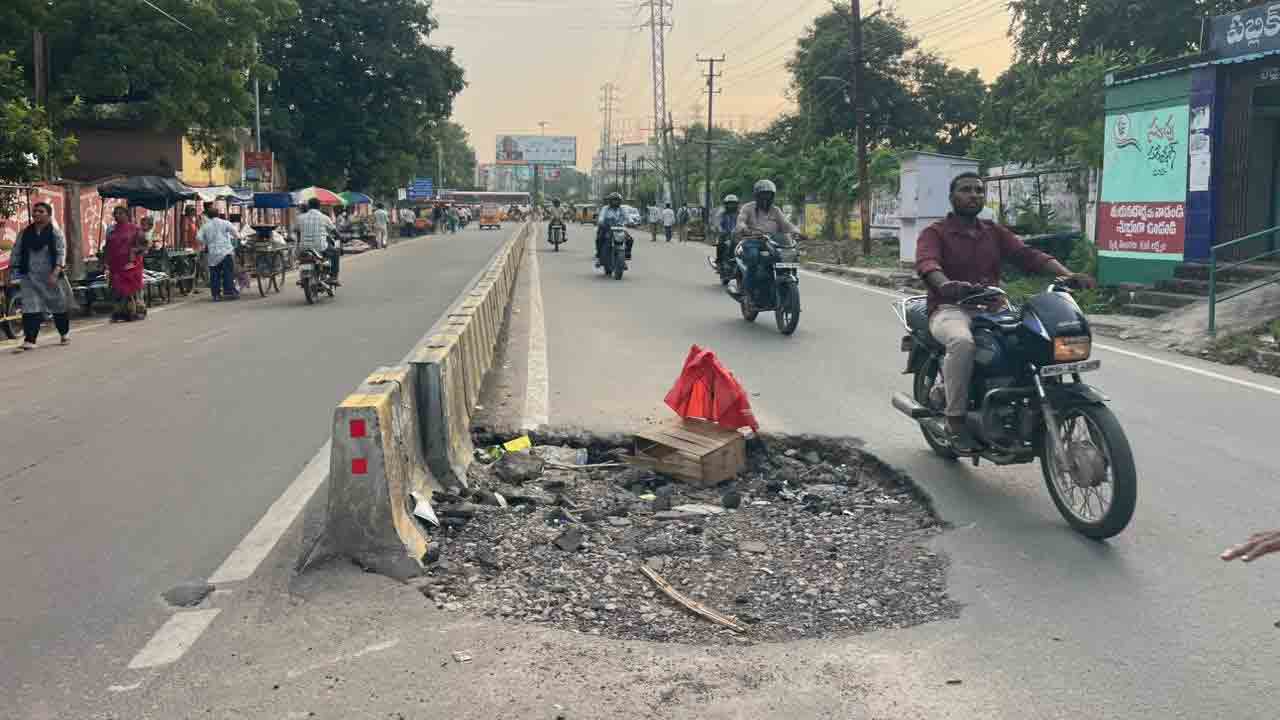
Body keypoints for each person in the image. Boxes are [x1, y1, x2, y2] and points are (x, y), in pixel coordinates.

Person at [915, 172, 1094, 450]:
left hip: (994, 307)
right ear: (952, 197)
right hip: (951, 308)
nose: (973, 195)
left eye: (978, 190)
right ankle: (955, 419)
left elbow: (1029, 255)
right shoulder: (935, 233)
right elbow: (927, 264)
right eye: (966, 190)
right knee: (962, 343)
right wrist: (947, 285)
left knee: (1032, 340)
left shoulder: (993, 231)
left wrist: (1068, 275)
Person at [10, 202, 71, 351]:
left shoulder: (55, 232)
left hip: (51, 276)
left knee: (58, 305)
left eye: (41, 211)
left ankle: (64, 332)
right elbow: (16, 252)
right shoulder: (25, 233)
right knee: (30, 307)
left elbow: (61, 252)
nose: (36, 213)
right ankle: (30, 339)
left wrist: (55, 272)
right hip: (29, 276)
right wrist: (11, 271)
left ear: (48, 215)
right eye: (35, 211)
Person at [732, 179, 803, 300]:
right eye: (763, 195)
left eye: (769, 195)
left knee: (789, 256)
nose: (766, 198)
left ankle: (784, 285)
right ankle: (746, 291)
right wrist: (745, 229)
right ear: (757, 196)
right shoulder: (747, 208)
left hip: (773, 241)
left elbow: (786, 224)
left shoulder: (776, 210)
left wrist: (797, 232)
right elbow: (741, 221)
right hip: (753, 240)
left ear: (772, 196)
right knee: (754, 257)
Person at [103, 206, 149, 321]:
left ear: (127, 215)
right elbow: (107, 247)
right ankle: (120, 312)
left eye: (120, 213)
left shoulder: (135, 229)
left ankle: (137, 310)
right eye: (116, 214)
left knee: (132, 288)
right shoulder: (111, 230)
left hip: (132, 264)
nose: (118, 216)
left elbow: (144, 246)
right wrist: (105, 261)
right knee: (118, 288)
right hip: (116, 265)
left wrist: (134, 251)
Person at [197, 204, 240, 301]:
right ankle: (229, 292)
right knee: (227, 272)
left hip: (213, 254)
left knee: (214, 274)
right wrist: (237, 238)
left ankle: (216, 295)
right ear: (218, 214)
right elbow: (236, 233)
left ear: (208, 216)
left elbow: (198, 237)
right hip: (225, 252)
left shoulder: (205, 226)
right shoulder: (225, 223)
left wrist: (206, 243)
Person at [295, 197, 340, 285]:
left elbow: (296, 231)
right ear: (319, 207)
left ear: (308, 206)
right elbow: (335, 232)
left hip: (303, 247)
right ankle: (334, 277)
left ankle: (302, 276)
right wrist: (339, 237)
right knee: (335, 253)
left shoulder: (300, 218)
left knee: (301, 259)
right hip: (320, 246)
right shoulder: (324, 218)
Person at [596, 192, 632, 265]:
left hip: (619, 228)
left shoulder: (622, 209)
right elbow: (601, 217)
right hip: (607, 228)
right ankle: (599, 257)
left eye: (617, 200)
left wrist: (631, 221)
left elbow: (627, 217)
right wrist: (601, 221)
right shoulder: (605, 208)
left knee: (629, 239)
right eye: (614, 200)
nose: (616, 202)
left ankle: (626, 255)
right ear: (610, 201)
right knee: (599, 238)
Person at [714, 194, 740, 269]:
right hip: (726, 235)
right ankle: (719, 261)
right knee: (720, 243)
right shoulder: (722, 214)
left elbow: (744, 223)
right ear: (726, 204)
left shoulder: (740, 214)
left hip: (737, 235)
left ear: (736, 204)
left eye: (733, 204)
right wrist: (721, 230)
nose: (731, 206)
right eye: (729, 204)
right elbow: (718, 223)